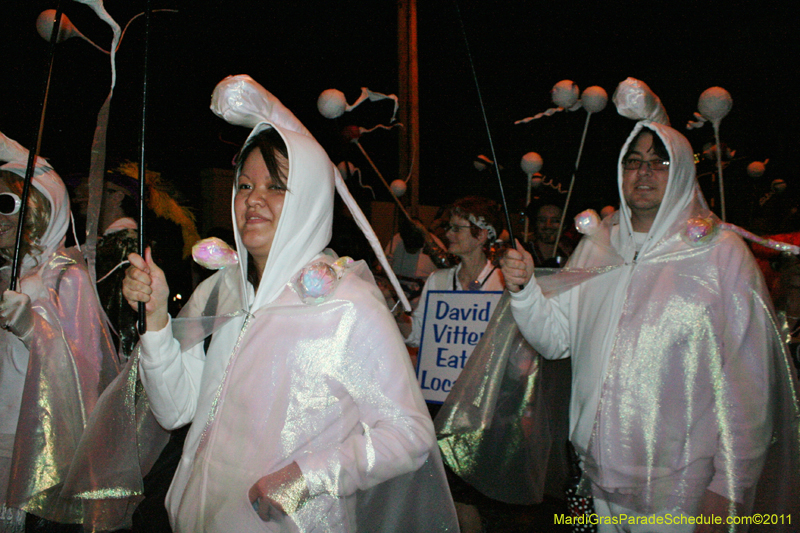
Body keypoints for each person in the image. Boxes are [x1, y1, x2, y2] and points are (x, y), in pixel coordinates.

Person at [122, 91, 458, 532]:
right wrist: (157, 319)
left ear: (311, 199)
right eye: (245, 184)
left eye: (276, 186)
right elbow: (175, 410)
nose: (253, 199)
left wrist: (306, 477)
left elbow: (410, 434)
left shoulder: (346, 306)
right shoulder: (223, 289)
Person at [501, 121, 799, 531]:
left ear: (680, 173)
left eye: (659, 162)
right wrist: (524, 290)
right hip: (597, 479)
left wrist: (729, 487)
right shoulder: (599, 244)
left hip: (681, 492)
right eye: (634, 162)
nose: (643, 173)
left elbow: (748, 383)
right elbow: (555, 339)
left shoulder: (719, 253)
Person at [0, 135, 119, 531]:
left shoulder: (65, 275)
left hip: (29, 440)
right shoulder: (4, 273)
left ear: (40, 207)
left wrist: (30, 328)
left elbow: (85, 367)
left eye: (8, 204)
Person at [404, 196, 504, 347]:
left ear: (481, 235)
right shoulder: (438, 280)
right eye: (449, 227)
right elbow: (418, 336)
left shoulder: (503, 284)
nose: (448, 234)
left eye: (457, 229)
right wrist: (397, 313)